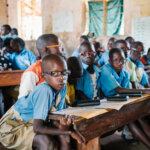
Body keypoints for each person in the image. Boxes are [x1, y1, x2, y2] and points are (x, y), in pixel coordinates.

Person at [0, 54, 82, 150]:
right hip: (14, 126)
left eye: (65, 73)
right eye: (55, 73)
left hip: (33, 123)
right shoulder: (44, 90)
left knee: (64, 136)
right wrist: (69, 132)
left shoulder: (62, 87)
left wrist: (63, 129)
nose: (61, 78)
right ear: (43, 76)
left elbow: (58, 115)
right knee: (46, 141)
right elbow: (37, 128)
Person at [18, 34, 64, 99]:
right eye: (59, 46)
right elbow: (23, 100)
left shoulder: (60, 67)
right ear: (45, 49)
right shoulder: (32, 72)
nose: (63, 49)